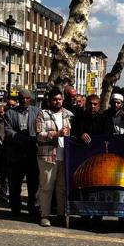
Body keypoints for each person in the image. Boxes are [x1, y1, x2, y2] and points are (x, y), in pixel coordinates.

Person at [35, 88, 72, 227]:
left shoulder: (68, 114)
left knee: (62, 188)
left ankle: (61, 215)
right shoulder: (42, 114)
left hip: (64, 157)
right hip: (48, 156)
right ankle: (44, 215)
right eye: (55, 99)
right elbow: (39, 135)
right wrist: (56, 134)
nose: (57, 101)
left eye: (60, 99)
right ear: (50, 100)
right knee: (46, 187)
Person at [4, 88, 41, 216]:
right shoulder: (10, 113)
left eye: (27, 98)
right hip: (16, 155)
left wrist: (34, 139)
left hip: (32, 154)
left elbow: (40, 129)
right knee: (14, 185)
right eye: (22, 98)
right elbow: (8, 131)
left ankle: (33, 209)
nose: (24, 100)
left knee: (33, 185)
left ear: (30, 99)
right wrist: (23, 139)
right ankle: (15, 209)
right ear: (18, 99)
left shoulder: (37, 112)